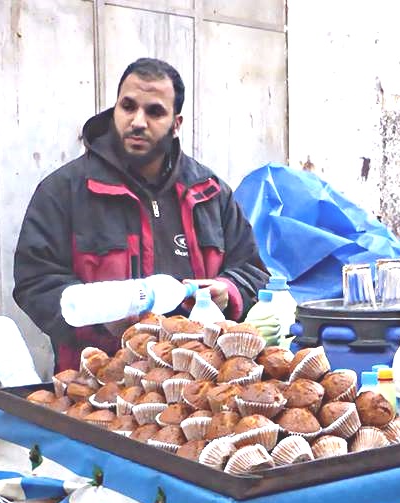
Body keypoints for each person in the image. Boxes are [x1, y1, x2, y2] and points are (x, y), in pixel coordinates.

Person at [13, 58, 267, 372]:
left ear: (177, 123)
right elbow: (35, 282)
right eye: (128, 106)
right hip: (97, 387)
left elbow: (253, 271)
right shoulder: (64, 191)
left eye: (155, 111)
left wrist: (228, 293)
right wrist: (99, 320)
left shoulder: (210, 193)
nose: (137, 121)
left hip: (199, 387)